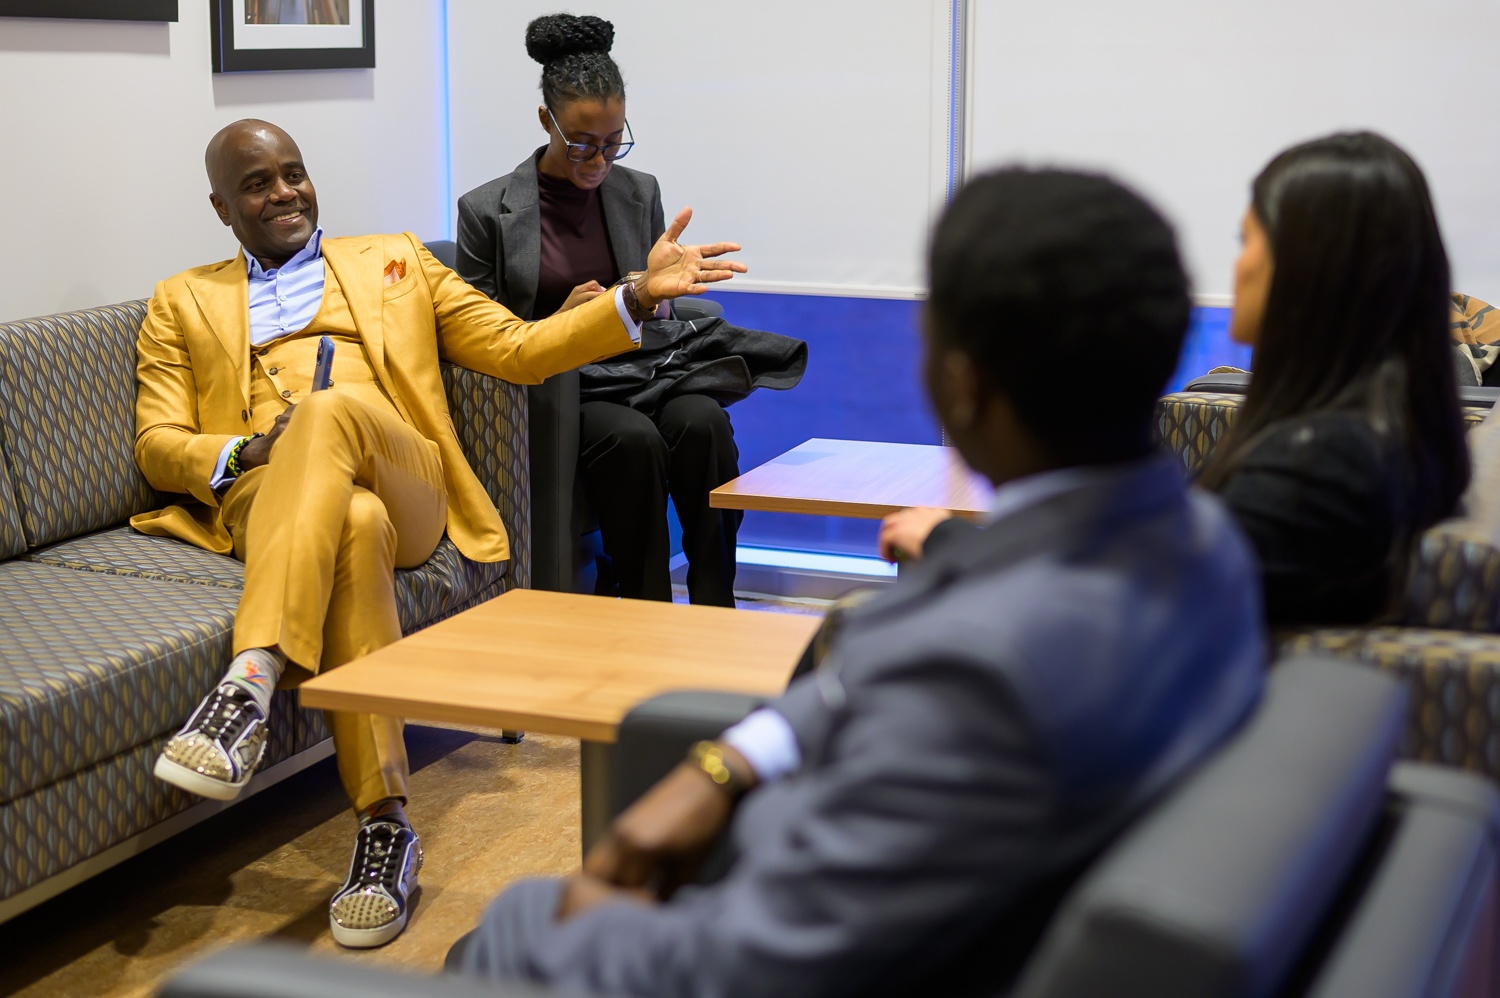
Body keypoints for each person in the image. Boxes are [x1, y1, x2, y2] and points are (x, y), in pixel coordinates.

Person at [445, 169, 1267, 997]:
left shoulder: (981, 675)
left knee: (497, 938)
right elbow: (883, 672)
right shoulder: (1204, 540)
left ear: (962, 382)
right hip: (865, 864)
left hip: (811, 944)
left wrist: (530, 922)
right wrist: (732, 762)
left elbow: (744, 966)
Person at [132, 118, 745, 948]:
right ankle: (385, 828)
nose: (283, 193)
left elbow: (518, 349)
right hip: (271, 495)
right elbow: (158, 442)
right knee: (353, 522)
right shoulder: (181, 300)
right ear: (220, 208)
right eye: (256, 184)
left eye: (293, 173)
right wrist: (244, 450)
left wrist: (631, 299)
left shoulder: (393, 260)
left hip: (404, 477)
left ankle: (251, 676)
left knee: (330, 413)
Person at [885, 132, 1472, 628]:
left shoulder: (1324, 467)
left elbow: (1129, 606)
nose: (1237, 265)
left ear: (1310, 269)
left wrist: (950, 543)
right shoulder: (1370, 432)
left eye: (1247, 241)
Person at [456, 13, 744, 606]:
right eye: (582, 144)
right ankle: (645, 608)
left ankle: (718, 603)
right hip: (564, 389)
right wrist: (558, 322)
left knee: (704, 424)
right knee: (633, 441)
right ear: (547, 121)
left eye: (614, 143)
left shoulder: (639, 191)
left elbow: (651, 300)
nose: (599, 160)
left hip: (643, 371)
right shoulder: (486, 210)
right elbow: (475, 337)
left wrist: (657, 293)